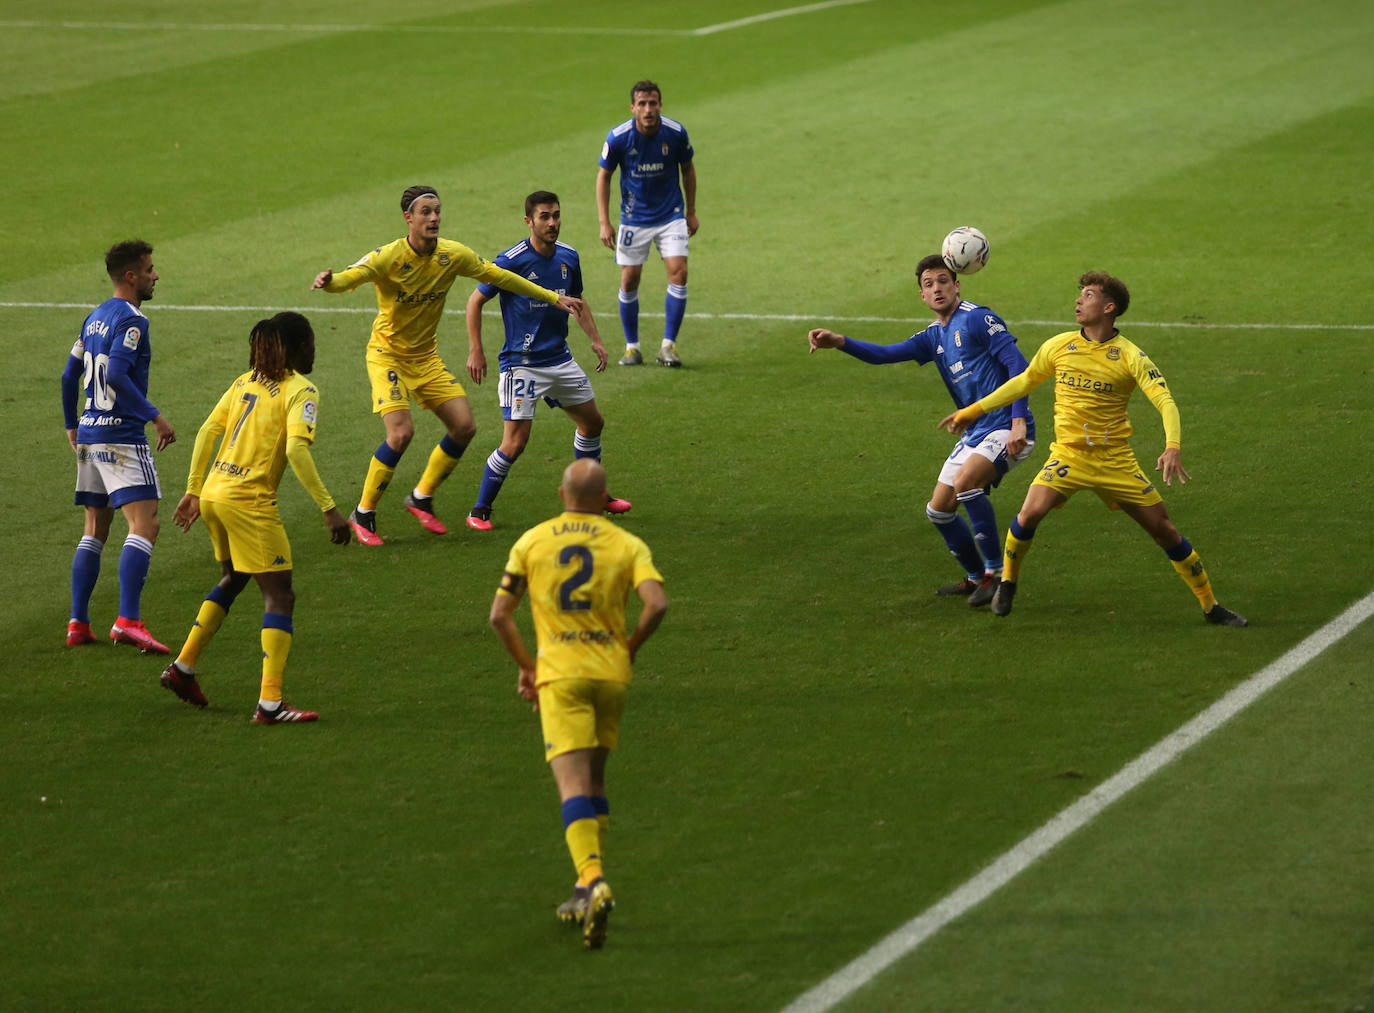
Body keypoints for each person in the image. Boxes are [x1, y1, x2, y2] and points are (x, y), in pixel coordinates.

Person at [940, 272, 1247, 626]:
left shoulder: (1130, 356)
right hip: (1069, 456)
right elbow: (1022, 382)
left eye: (1088, 295)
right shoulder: (1059, 346)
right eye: (1080, 294)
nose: (1078, 301)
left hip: (1115, 461)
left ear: (1108, 307)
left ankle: (1211, 607)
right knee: (1029, 514)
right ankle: (1007, 581)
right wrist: (971, 411)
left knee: (1164, 530)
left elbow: (1165, 401)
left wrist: (1172, 446)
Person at [312, 185, 585, 545]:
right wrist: (330, 283)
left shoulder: (452, 255)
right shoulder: (388, 257)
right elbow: (351, 276)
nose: (434, 217)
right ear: (408, 218)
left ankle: (421, 497)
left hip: (425, 357)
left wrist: (553, 297)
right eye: (425, 212)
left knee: (464, 427)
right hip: (387, 356)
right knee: (401, 433)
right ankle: (364, 513)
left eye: (437, 210)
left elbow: (502, 278)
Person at [489, 459, 667, 950]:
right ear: (604, 494)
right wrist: (628, 649)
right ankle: (583, 886)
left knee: (572, 785)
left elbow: (499, 616)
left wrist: (528, 668)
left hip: (561, 677)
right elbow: (657, 604)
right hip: (611, 674)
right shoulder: (626, 544)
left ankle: (593, 881)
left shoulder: (532, 540)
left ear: (561, 493)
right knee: (596, 780)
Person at [809, 254, 1036, 607]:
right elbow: (885, 354)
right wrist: (840, 342)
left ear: (957, 284)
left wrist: (1018, 421)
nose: (937, 289)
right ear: (922, 296)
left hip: (1007, 426)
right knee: (939, 510)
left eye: (943, 281)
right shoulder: (933, 336)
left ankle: (995, 575)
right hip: (975, 432)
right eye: (928, 285)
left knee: (966, 485)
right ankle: (976, 577)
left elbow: (1018, 366)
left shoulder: (978, 318)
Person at [160, 312, 352, 724]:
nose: (315, 350)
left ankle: (182, 668)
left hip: (215, 494)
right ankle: (270, 704)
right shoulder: (301, 390)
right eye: (312, 343)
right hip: (249, 502)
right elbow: (297, 451)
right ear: (298, 347)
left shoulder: (244, 381)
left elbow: (208, 430)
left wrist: (195, 490)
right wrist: (329, 509)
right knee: (280, 595)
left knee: (236, 577)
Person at [464, 190, 632, 531]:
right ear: (529, 221)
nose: (553, 222)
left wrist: (596, 340)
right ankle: (479, 510)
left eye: (556, 215)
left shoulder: (569, 256)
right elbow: (474, 301)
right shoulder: (511, 261)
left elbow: (577, 301)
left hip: (559, 360)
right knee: (515, 443)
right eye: (545, 216)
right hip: (522, 364)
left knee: (593, 423)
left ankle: (593, 496)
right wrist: (476, 350)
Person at [61, 239, 176, 653]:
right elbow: (116, 376)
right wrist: (154, 416)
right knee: (145, 524)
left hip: (91, 434)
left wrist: (73, 425)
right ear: (131, 276)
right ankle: (128, 619)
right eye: (149, 269)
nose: (155, 275)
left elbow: (68, 375)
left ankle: (78, 622)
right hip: (122, 435)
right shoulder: (131, 320)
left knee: (95, 529)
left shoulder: (93, 318)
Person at [596, 79, 698, 368]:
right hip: (634, 218)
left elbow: (688, 170)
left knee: (679, 273)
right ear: (633, 107)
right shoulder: (619, 137)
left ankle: (668, 346)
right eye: (642, 103)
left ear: (660, 105)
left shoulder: (675, 133)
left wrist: (691, 211)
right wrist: (605, 222)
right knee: (629, 280)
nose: (648, 109)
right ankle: (632, 347)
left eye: (653, 103)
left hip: (671, 215)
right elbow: (603, 176)